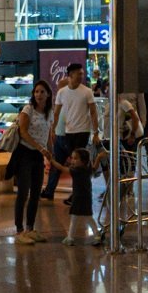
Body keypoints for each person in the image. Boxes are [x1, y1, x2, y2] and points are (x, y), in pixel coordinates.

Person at [12, 80, 62, 244]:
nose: (39, 95)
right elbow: (23, 132)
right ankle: (19, 231)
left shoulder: (48, 112)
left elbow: (48, 134)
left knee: (35, 193)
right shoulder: (28, 110)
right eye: (36, 92)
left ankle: (30, 228)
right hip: (25, 153)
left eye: (42, 92)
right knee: (23, 192)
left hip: (37, 156)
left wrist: (50, 153)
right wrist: (40, 149)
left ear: (48, 94)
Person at [43, 63, 96, 199]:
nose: (81, 76)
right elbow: (56, 112)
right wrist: (53, 130)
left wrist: (95, 132)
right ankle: (49, 191)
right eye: (79, 73)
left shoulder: (87, 92)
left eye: (82, 74)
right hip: (66, 133)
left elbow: (93, 112)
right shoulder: (62, 93)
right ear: (71, 75)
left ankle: (77, 193)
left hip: (82, 132)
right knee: (58, 162)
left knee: (78, 165)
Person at [60, 147, 98, 246]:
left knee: (74, 219)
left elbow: (62, 168)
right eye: (72, 158)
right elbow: (95, 167)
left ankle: (70, 238)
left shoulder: (76, 171)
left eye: (75, 158)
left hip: (77, 198)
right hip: (87, 198)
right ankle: (97, 236)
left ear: (83, 161)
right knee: (89, 218)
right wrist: (99, 157)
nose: (72, 160)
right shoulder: (88, 169)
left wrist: (51, 160)